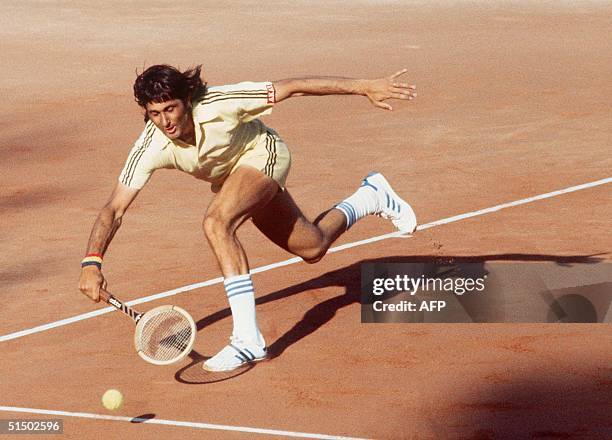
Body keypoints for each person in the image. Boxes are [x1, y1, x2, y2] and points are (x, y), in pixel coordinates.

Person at [78, 64, 418, 372]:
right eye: (155, 113)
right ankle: (371, 195)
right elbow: (114, 209)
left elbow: (292, 86)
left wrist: (364, 86)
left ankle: (247, 340)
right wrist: (92, 262)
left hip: (264, 155)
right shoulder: (151, 146)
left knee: (216, 222)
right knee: (312, 247)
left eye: (171, 108)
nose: (165, 121)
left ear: (188, 100)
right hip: (234, 182)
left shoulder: (217, 103)